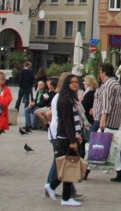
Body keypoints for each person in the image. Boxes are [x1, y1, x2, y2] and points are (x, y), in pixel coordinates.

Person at [47, 73, 85, 206]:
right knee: (68, 165)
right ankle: (64, 196)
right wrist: (73, 140)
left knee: (67, 165)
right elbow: (67, 122)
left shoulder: (70, 98)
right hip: (65, 137)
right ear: (66, 84)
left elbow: (74, 121)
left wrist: (77, 135)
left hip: (69, 136)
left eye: (76, 82)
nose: (75, 84)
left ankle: (54, 188)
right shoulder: (64, 100)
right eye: (72, 82)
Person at [93, 63, 121, 183]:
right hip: (114, 119)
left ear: (103, 73)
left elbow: (107, 105)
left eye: (100, 72)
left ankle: (87, 169)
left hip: (107, 120)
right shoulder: (116, 84)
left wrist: (103, 120)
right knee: (115, 145)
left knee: (95, 142)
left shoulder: (108, 85)